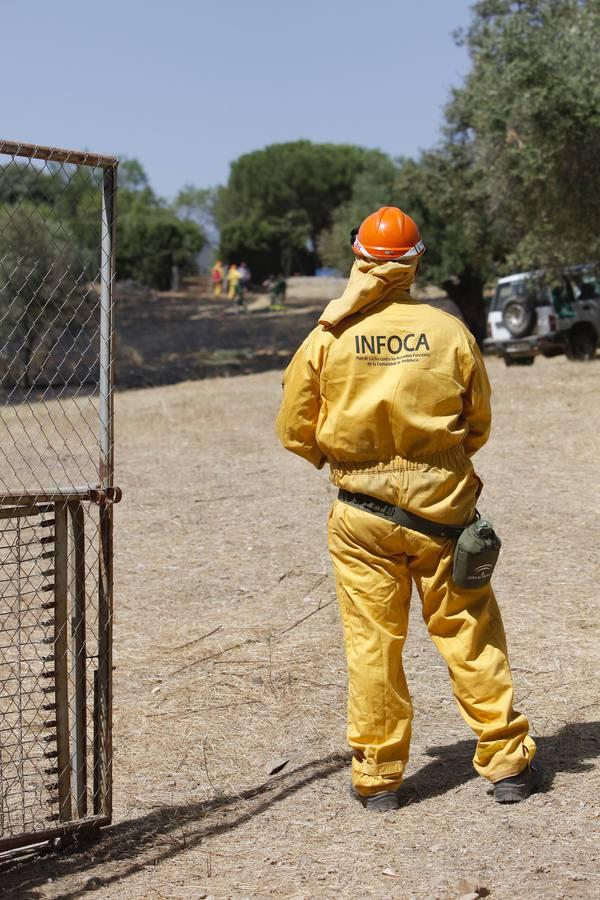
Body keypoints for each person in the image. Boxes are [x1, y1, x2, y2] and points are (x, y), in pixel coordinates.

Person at [276, 206, 538, 812]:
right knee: (468, 633)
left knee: (372, 643)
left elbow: (294, 429)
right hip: (444, 514)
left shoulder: (327, 335)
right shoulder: (448, 331)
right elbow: (479, 423)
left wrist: (348, 463)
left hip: (360, 518)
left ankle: (377, 779)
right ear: (416, 261)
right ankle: (506, 763)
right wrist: (437, 466)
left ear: (359, 257)